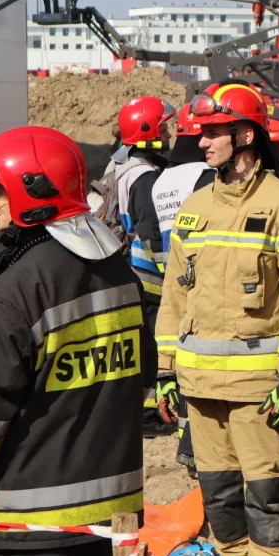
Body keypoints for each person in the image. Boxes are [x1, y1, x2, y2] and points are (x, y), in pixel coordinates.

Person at [0, 126, 154, 556]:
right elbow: (141, 376)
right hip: (113, 516)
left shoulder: (19, 290)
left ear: (30, 192)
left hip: (33, 525)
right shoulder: (118, 270)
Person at [155, 80, 279, 556]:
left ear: (246, 135)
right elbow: (174, 297)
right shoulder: (195, 207)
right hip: (201, 390)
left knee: (267, 503)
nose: (202, 143)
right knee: (221, 503)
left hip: (261, 394)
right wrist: (165, 372)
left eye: (213, 133)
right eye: (202, 133)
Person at [151, 103, 215, 474]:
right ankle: (196, 448)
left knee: (183, 362)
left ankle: (186, 445)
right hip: (201, 279)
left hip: (171, 277)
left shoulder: (162, 179)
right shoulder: (205, 176)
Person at [116, 96, 177, 436]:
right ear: (146, 133)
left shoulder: (126, 168)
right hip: (148, 278)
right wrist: (173, 276)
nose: (168, 134)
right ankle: (149, 412)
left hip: (133, 274)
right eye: (164, 128)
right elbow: (151, 232)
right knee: (153, 345)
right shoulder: (144, 177)